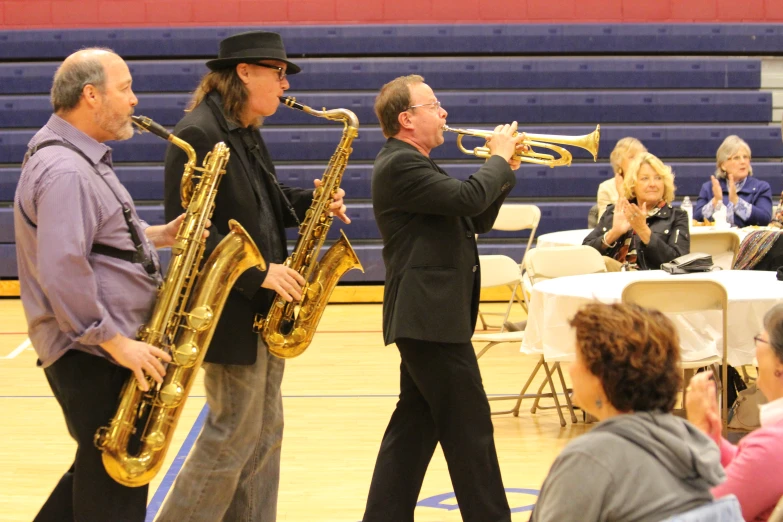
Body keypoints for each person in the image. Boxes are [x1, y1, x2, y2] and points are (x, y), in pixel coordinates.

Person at [155, 31, 349, 522]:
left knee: (264, 435)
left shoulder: (244, 128)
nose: (285, 85)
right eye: (278, 72)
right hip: (226, 308)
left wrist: (311, 203)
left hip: (263, 310)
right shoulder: (198, 133)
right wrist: (260, 274)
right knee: (231, 436)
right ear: (244, 72)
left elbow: (265, 200)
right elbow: (194, 233)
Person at [14, 48, 184, 521]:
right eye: (125, 87)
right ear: (91, 95)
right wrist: (116, 344)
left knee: (95, 472)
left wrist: (157, 236)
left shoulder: (76, 158)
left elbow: (91, 239)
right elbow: (63, 268)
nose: (134, 100)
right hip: (95, 353)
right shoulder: (66, 171)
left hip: (101, 348)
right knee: (114, 486)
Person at [363, 74, 523, 522]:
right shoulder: (399, 163)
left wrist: (504, 169)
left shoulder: (415, 163)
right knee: (470, 429)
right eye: (434, 105)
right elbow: (469, 196)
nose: (444, 113)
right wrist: (497, 157)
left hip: (429, 316)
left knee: (413, 429)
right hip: (429, 317)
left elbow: (472, 215)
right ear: (407, 119)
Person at [530, 302, 725, 522]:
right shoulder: (695, 444)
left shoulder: (590, 459)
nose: (571, 368)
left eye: (578, 357)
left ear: (601, 378)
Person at [687, 304, 783, 522]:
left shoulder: (771, 445)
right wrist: (712, 437)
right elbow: (750, 468)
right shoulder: (768, 446)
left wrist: (699, 437)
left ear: (780, 365)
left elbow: (705, 514)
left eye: (760, 340)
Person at [584, 152, 689, 270]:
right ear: (633, 184)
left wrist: (643, 231)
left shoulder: (677, 216)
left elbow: (680, 264)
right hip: (612, 281)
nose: (652, 184)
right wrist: (614, 233)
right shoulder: (616, 211)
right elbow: (585, 255)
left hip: (648, 283)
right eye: (645, 178)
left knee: (604, 262)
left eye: (658, 178)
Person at [693, 135, 773, 227]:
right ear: (723, 165)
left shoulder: (761, 188)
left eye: (745, 157)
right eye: (736, 158)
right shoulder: (709, 188)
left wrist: (737, 202)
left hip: (749, 240)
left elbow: (765, 219)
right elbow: (696, 219)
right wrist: (715, 201)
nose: (743, 162)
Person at [596, 137, 647, 220]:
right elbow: (603, 226)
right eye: (632, 157)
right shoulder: (606, 188)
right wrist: (622, 197)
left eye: (641, 157)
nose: (638, 161)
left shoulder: (652, 184)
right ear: (619, 162)